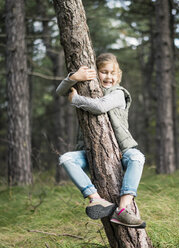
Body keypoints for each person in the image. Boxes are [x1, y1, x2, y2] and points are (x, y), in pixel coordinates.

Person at [56, 53, 146, 228]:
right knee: (66, 159)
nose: (109, 77)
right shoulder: (86, 88)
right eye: (104, 72)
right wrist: (74, 78)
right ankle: (95, 199)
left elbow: (100, 106)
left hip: (122, 149)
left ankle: (123, 208)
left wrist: (76, 99)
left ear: (118, 75)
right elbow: (60, 91)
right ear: (95, 73)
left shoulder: (119, 93)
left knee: (137, 157)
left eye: (113, 73)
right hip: (91, 150)